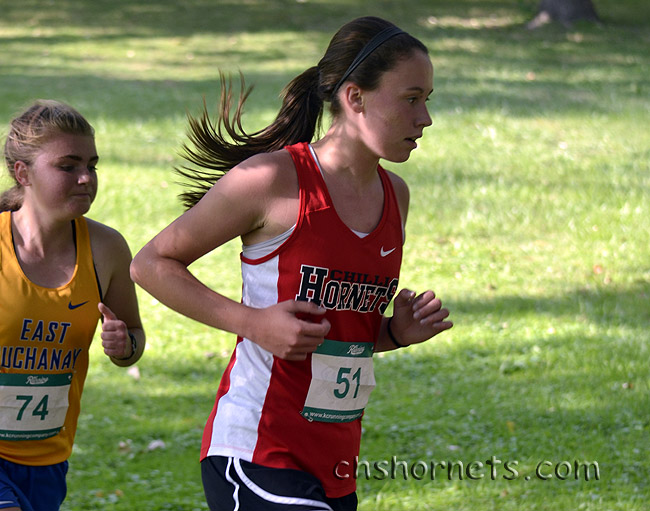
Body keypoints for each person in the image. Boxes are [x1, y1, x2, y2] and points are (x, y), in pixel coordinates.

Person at [131, 16, 452, 511]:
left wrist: (392, 333)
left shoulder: (396, 196)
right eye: (411, 99)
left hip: (334, 465)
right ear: (355, 97)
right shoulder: (272, 180)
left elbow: (336, 332)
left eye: (427, 99)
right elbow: (152, 263)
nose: (425, 118)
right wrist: (253, 323)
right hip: (256, 449)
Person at [0, 100, 145, 511]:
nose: (85, 178)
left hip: (47, 459)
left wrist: (124, 345)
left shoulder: (106, 248)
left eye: (91, 165)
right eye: (67, 166)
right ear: (22, 173)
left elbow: (134, 338)